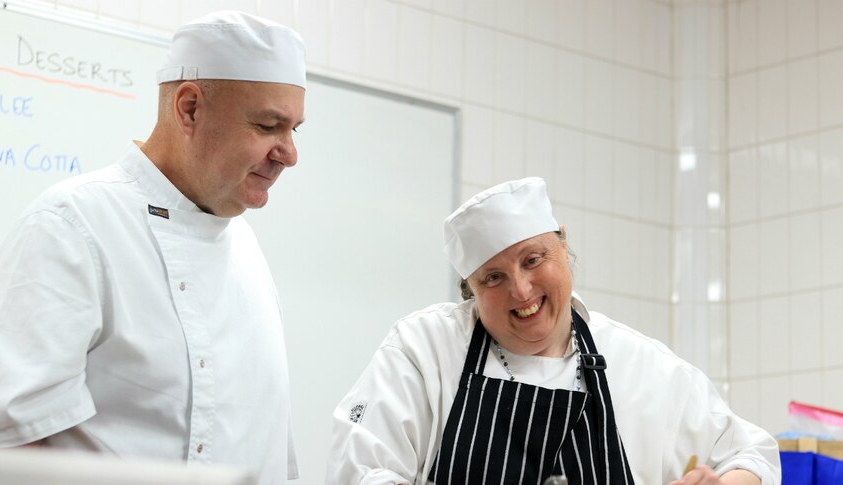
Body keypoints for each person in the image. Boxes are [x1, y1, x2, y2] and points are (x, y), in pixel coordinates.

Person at [0, 11, 305, 484]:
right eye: (267, 126)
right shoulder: (70, 227)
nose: (290, 154)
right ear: (189, 108)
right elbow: (11, 446)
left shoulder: (248, 255)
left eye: (295, 129)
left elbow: (273, 450)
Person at [325, 177, 781, 484]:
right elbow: (362, 469)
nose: (521, 292)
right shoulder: (424, 350)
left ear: (562, 244)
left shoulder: (638, 364)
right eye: (493, 278)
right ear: (470, 291)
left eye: (532, 260)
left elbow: (753, 454)